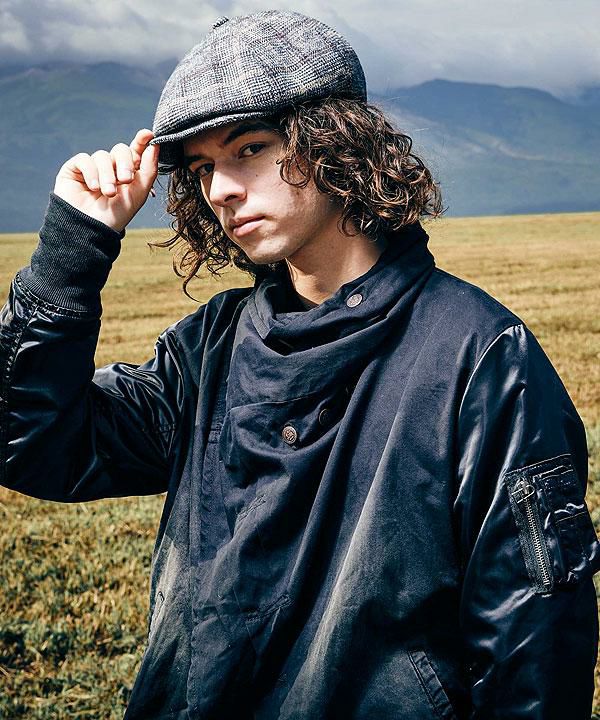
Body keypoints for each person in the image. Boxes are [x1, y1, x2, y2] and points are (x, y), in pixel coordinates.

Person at [0, 9, 598, 720]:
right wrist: (73, 247)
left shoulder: (483, 356)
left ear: (335, 142)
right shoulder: (209, 348)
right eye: (202, 168)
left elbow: (532, 653)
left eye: (248, 148)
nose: (220, 189)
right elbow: (33, 444)